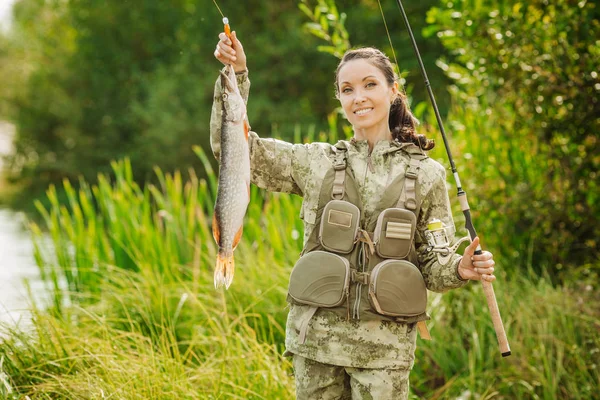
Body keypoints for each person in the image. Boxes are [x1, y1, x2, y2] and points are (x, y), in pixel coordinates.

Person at [212, 31, 496, 400]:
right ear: (340, 99)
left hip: (385, 354)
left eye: (369, 84)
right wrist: (238, 74)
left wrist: (461, 268)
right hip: (314, 346)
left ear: (394, 90)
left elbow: (433, 265)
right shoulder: (316, 161)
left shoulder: (428, 175)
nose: (358, 97)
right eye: (347, 89)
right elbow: (232, 149)